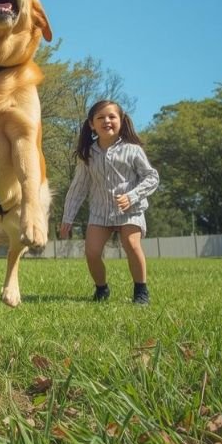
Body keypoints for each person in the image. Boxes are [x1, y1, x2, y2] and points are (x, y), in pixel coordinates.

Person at [59, 100, 160, 304]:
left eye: (112, 117)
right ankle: (101, 289)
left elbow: (152, 177)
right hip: (100, 212)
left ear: (121, 121)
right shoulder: (88, 155)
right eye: (100, 118)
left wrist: (132, 196)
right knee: (92, 252)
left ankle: (141, 291)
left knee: (131, 244)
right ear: (91, 124)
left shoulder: (133, 150)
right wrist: (67, 217)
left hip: (130, 210)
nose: (107, 121)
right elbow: (78, 188)